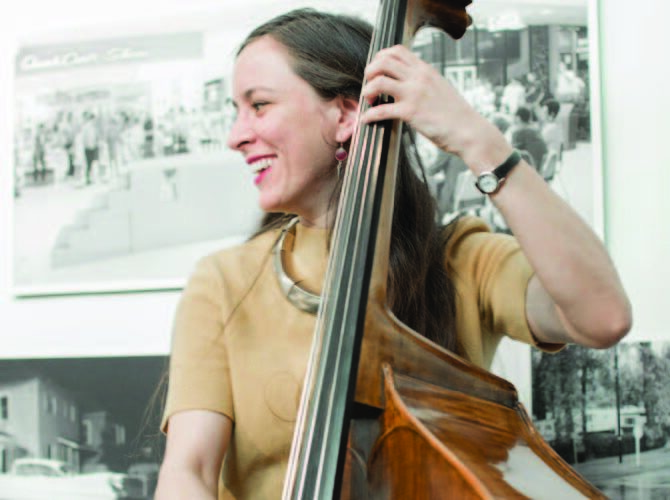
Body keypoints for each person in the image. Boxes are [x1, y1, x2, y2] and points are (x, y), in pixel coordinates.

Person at [155, 8, 631, 499]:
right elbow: (188, 472)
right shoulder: (224, 282)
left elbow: (602, 316)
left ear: (344, 114)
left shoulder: (461, 259)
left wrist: (475, 138)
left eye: (258, 106)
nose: (235, 135)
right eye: (237, 111)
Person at [510, 105, 549, 171]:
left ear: (518, 118)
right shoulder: (536, 129)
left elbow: (510, 152)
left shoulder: (518, 132)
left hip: (530, 169)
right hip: (541, 166)